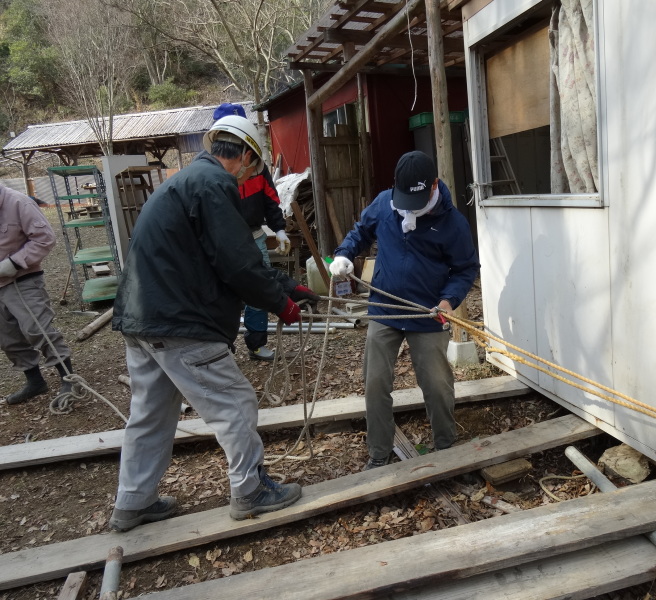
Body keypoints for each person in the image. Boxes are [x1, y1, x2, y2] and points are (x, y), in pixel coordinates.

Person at [109, 115, 319, 532]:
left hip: (143, 317)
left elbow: (224, 254)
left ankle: (133, 502)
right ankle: (250, 491)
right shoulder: (214, 185)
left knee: (150, 413)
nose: (248, 174)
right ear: (244, 155)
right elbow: (238, 263)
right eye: (251, 167)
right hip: (180, 320)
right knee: (236, 402)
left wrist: (287, 286)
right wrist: (281, 303)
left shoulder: (187, 182)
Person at [329, 151, 479, 470]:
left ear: (434, 185)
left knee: (437, 384)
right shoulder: (385, 203)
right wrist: (343, 254)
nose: (409, 206)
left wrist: (448, 300)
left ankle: (446, 448)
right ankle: (379, 454)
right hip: (385, 309)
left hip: (428, 313)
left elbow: (466, 269)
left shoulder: (452, 223)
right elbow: (361, 232)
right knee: (376, 382)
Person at [213, 103, 291, 362]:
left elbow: (270, 197)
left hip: (255, 234)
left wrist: (279, 229)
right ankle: (222, 348)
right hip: (222, 241)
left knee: (258, 291)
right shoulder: (210, 173)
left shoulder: (255, 166)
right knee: (223, 295)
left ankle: (256, 344)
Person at [0, 184, 73, 405]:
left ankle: (68, 379)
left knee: (37, 329)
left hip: (22, 279)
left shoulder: (19, 202)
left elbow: (45, 238)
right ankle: (35, 383)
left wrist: (14, 263)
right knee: (7, 338)